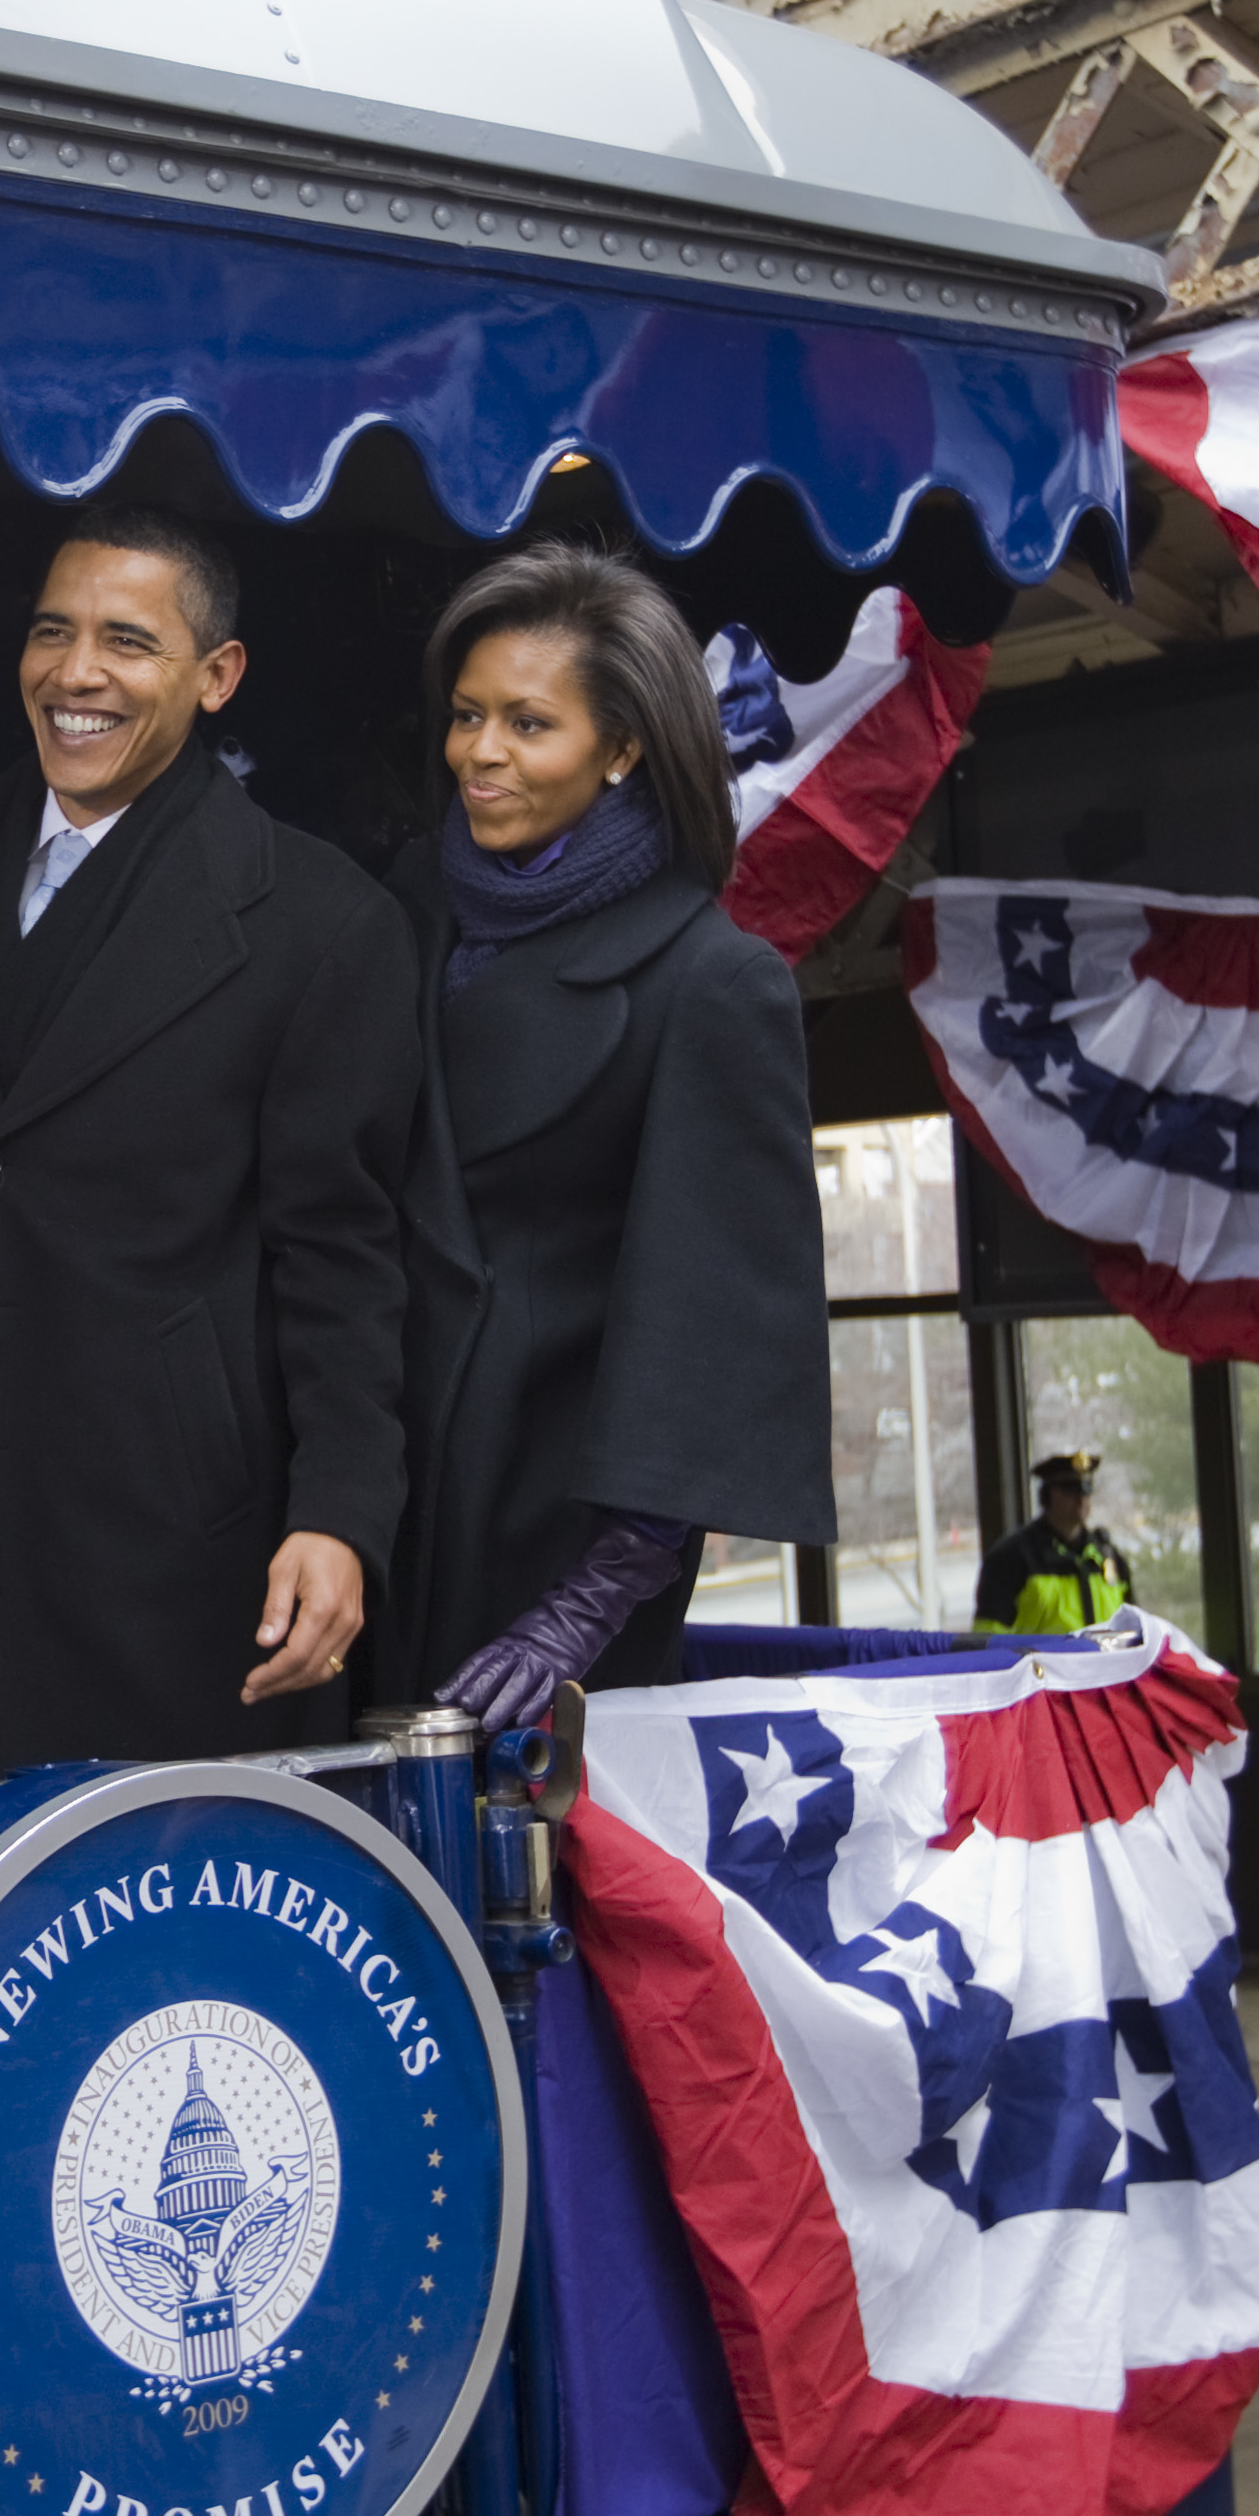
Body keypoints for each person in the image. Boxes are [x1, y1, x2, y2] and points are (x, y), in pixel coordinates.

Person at [0, 508, 422, 1773]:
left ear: (217, 676)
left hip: (173, 1555)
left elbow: (343, 1258)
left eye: (129, 640)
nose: (76, 673)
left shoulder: (324, 922)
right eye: (53, 632)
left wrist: (340, 1515)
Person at [390, 544, 834, 1731]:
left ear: (623, 748)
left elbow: (716, 1328)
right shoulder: (402, 913)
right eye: (468, 715)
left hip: (542, 1548)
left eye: (529, 724)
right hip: (367, 1501)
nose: (480, 754)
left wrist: (587, 1605)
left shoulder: (713, 980)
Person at [974, 1451, 1138, 1635]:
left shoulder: (1106, 1555)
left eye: (1086, 1488)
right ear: (1047, 1495)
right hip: (1041, 1664)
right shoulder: (1010, 1558)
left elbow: (1133, 1627)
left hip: (1106, 1663)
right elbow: (988, 1640)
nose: (1081, 1498)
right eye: (1070, 1489)